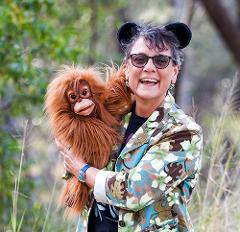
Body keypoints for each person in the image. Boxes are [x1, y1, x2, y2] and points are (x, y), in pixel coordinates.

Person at [57, 21, 203, 232]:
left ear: (175, 72)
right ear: (126, 68)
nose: (149, 67)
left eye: (161, 60)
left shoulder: (183, 132)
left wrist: (82, 170)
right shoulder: (110, 118)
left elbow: (134, 191)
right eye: (139, 59)